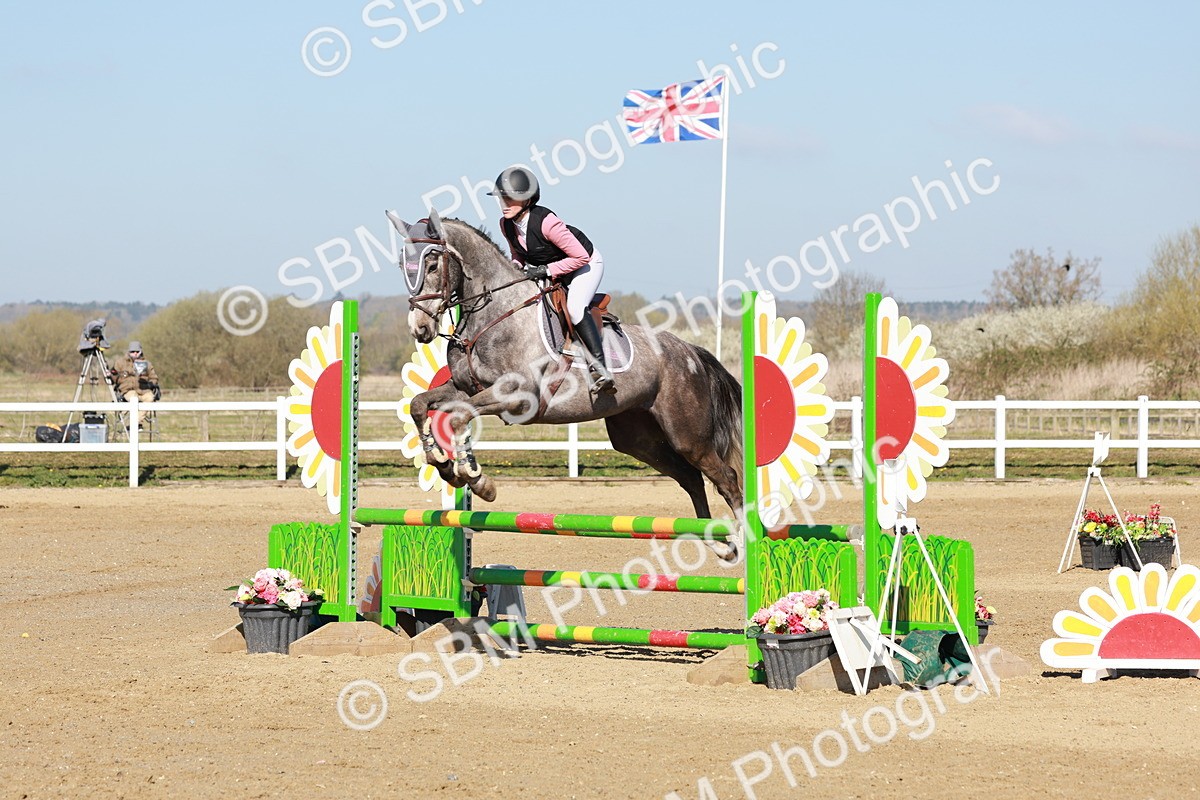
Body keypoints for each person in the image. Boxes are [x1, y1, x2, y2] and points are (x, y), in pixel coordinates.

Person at [488, 165, 615, 392]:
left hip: (585, 264)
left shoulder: (546, 222)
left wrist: (546, 270)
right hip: (556, 267)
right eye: (501, 198)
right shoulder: (506, 224)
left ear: (527, 199)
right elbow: (518, 255)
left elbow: (580, 256)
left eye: (510, 199)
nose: (504, 204)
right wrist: (512, 271)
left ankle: (600, 367)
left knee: (575, 308)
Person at [111, 341, 160, 429]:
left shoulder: (147, 364)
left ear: (141, 352)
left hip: (144, 390)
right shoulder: (120, 363)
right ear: (129, 352)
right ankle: (136, 424)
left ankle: (136, 423)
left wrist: (151, 384)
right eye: (133, 352)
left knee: (150, 398)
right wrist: (112, 374)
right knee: (134, 399)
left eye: (137, 352)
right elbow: (113, 379)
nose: (135, 354)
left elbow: (154, 377)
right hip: (127, 390)